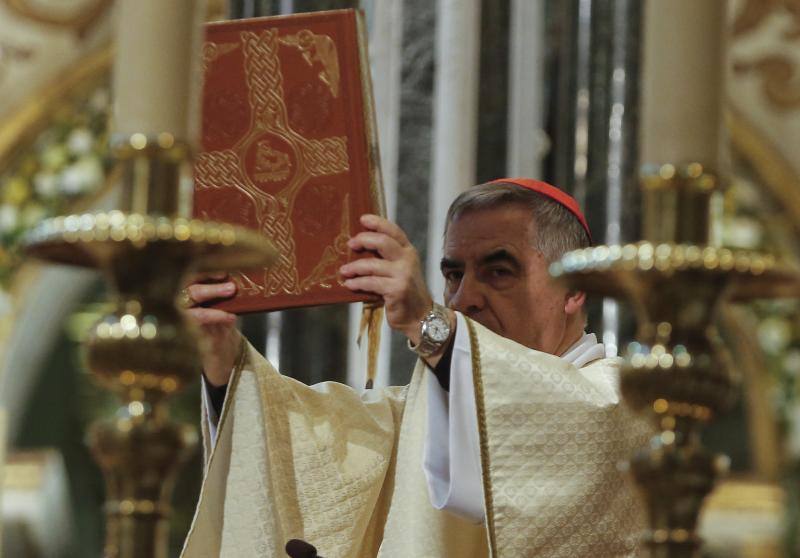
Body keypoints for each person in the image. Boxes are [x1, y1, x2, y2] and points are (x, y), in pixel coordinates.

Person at [180, 178, 649, 558]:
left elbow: (547, 425)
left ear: (574, 288)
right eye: (452, 275)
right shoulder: (424, 412)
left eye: (498, 271)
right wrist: (224, 358)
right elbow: (297, 441)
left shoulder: (622, 402)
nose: (464, 298)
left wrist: (428, 322)